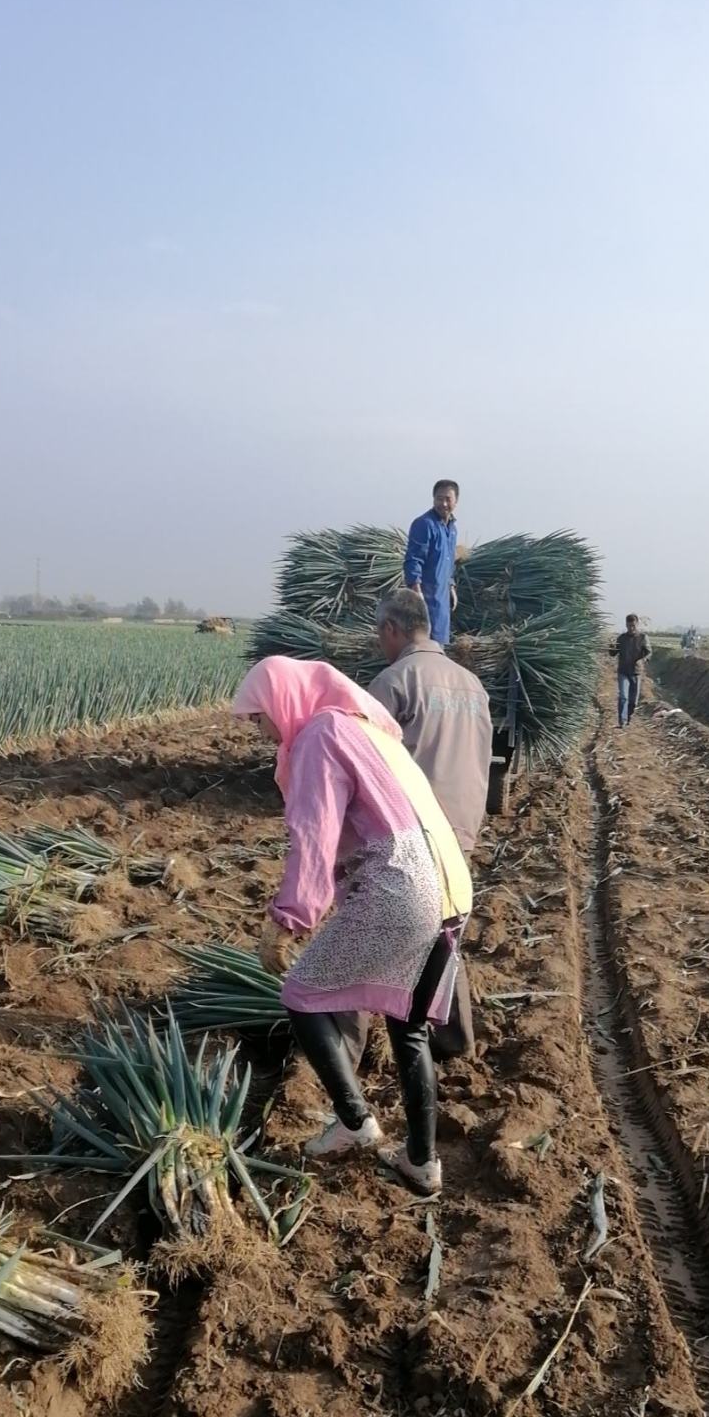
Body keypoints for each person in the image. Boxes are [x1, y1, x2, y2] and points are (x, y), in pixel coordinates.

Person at [232, 656, 472, 1196]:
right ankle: (422, 1162)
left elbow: (313, 833)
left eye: (258, 716)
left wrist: (288, 919)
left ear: (283, 700)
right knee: (408, 1027)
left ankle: (356, 1122)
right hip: (449, 884)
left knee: (299, 994)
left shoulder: (321, 734)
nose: (259, 729)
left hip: (399, 887)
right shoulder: (368, 729)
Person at [339, 587, 492, 1066]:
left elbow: (364, 762)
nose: (379, 642)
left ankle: (346, 1050)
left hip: (414, 831)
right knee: (443, 930)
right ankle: (454, 1039)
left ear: (392, 629)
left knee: (367, 931)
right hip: (462, 825)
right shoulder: (472, 683)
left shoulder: (394, 681)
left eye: (379, 633)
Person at [404, 479, 459, 645]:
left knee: (440, 645)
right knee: (424, 645)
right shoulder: (424, 524)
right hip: (425, 598)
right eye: (439, 499)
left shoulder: (452, 529)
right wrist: (416, 589)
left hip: (441, 599)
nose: (443, 503)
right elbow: (414, 559)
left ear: (456, 501)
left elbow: (449, 562)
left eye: (448, 499)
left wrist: (451, 585)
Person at [610, 614, 652, 727]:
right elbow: (613, 653)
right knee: (624, 696)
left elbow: (649, 652)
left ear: (637, 624)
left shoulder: (643, 638)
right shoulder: (621, 638)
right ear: (626, 625)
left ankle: (628, 717)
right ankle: (622, 721)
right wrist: (611, 645)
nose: (631, 628)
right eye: (629, 625)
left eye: (633, 625)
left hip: (636, 672)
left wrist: (642, 660)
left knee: (633, 701)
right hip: (623, 671)